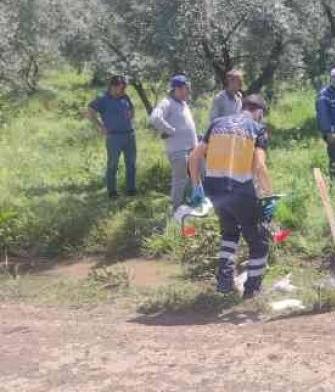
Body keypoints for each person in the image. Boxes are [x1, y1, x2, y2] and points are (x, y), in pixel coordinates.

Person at [188, 95, 276, 297]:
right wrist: (269, 195)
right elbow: (260, 166)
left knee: (229, 233)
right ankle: (252, 290)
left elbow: (194, 156)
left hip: (215, 190)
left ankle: (224, 283)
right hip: (240, 191)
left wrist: (196, 186)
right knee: (258, 240)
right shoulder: (257, 129)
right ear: (259, 112)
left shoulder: (216, 123)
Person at [149, 74, 198, 210]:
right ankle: (177, 210)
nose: (187, 91)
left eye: (187, 88)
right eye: (184, 88)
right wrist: (170, 130)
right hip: (178, 151)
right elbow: (155, 118)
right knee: (180, 181)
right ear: (176, 89)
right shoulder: (167, 102)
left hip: (191, 149)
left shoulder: (182, 103)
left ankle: (188, 206)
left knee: (192, 178)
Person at [85, 75, 137, 198]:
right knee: (113, 164)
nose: (124, 89)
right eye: (121, 87)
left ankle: (131, 189)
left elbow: (132, 108)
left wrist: (130, 116)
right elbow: (90, 111)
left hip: (129, 135)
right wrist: (100, 126)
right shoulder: (102, 99)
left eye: (125, 87)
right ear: (112, 87)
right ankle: (112, 192)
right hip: (114, 137)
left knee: (131, 164)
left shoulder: (125, 96)